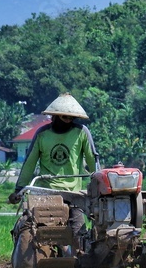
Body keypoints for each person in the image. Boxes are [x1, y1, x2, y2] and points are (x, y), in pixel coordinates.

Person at [9, 93, 100, 242]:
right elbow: (29, 163)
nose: (68, 121)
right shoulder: (42, 134)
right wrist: (19, 190)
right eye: (65, 117)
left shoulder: (81, 132)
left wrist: (100, 187)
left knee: (79, 235)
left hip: (73, 194)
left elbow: (93, 163)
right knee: (35, 234)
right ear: (55, 116)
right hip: (47, 193)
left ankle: (77, 261)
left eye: (71, 118)